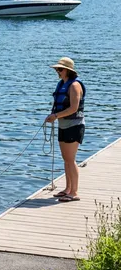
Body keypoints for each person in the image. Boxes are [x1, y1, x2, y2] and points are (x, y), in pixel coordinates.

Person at [45, 57, 85, 202]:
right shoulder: (62, 84)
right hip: (63, 125)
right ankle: (67, 189)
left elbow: (74, 108)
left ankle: (74, 192)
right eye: (57, 69)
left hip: (74, 126)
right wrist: (55, 116)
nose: (57, 72)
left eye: (60, 69)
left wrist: (55, 115)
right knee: (66, 159)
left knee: (71, 160)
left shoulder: (74, 85)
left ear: (68, 70)